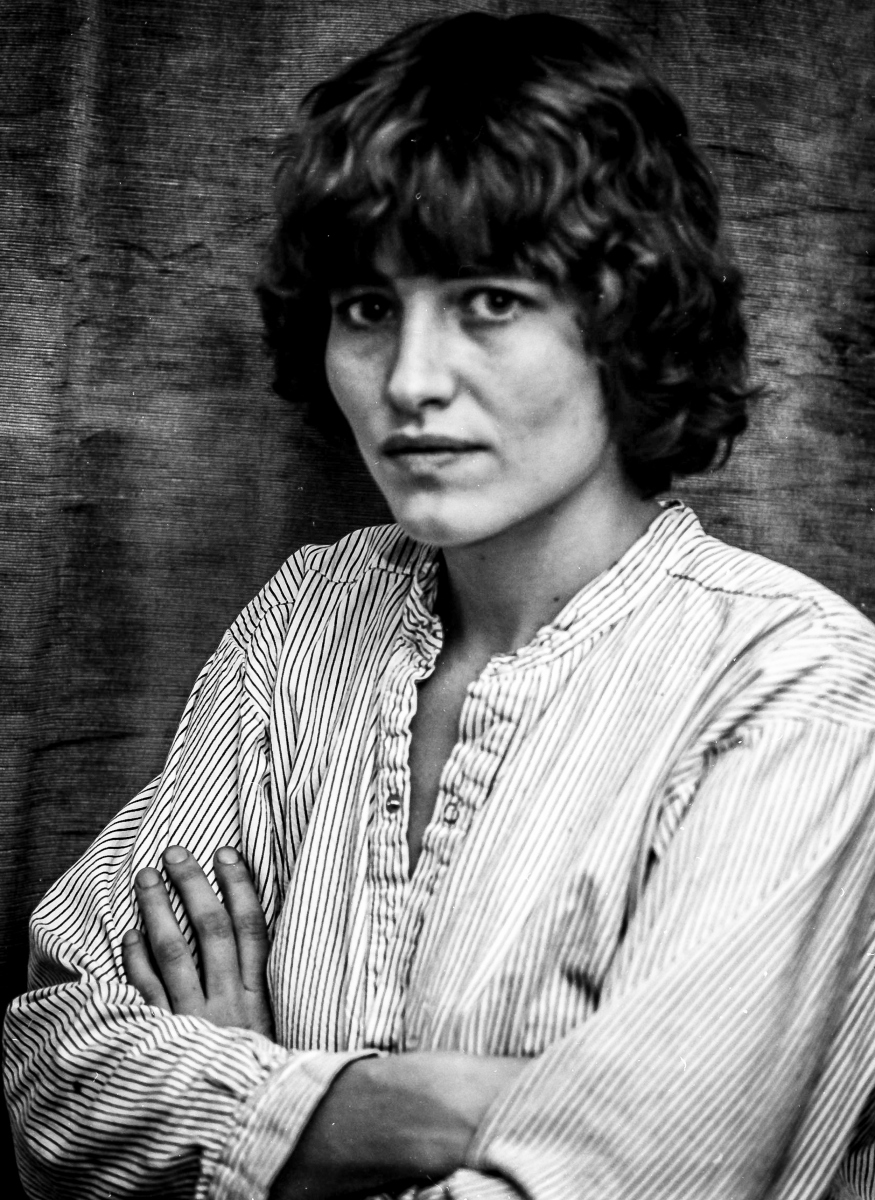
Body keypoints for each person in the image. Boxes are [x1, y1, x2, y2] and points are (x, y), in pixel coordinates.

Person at [5, 10, 875, 1199]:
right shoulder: (309, 618)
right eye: (368, 309)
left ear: (629, 317)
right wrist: (409, 1103)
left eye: (489, 301)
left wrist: (247, 1100)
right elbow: (53, 1078)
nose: (411, 383)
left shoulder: (797, 692)